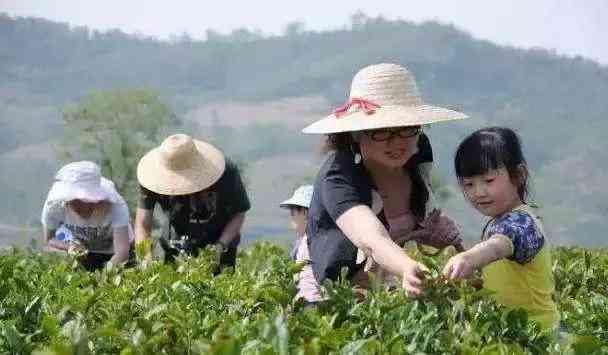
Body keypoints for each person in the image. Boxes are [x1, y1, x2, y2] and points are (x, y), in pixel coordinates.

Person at [301, 63, 467, 296]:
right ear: (356, 133)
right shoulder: (338, 176)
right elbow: (371, 239)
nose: (397, 141)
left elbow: (424, 211)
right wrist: (407, 267)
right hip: (334, 287)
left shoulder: (418, 155)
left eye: (407, 128)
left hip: (385, 280)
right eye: (382, 131)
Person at [442, 127, 559, 331]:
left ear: (519, 175)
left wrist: (468, 259)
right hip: (511, 334)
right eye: (469, 184)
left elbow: (499, 245)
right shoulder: (496, 222)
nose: (479, 192)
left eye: (488, 181)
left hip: (538, 336)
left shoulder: (524, 223)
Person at [134, 134, 250, 271]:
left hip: (219, 243)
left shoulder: (227, 173)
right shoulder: (152, 179)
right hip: (174, 245)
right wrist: (145, 257)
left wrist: (220, 246)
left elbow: (239, 213)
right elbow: (142, 223)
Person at [41, 161, 132, 271]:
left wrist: (102, 278)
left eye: (89, 201)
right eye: (77, 201)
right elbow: (49, 239)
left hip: (114, 250)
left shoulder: (116, 206)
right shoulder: (54, 206)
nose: (84, 207)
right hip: (82, 250)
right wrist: (69, 247)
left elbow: (122, 252)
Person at [279, 185, 323, 304]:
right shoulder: (324, 238)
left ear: (305, 212)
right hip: (323, 301)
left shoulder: (306, 241)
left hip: (308, 301)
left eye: (292, 213)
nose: (291, 218)